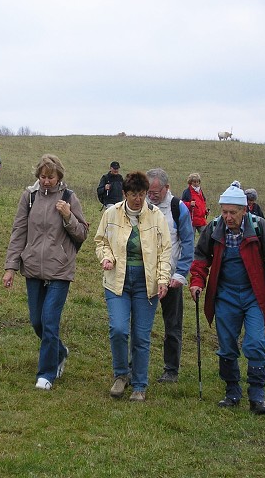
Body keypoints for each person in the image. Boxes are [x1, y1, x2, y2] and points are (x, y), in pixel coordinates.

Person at [189, 184, 265, 415]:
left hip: (254, 295)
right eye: (224, 211)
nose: (228, 217)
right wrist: (196, 281)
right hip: (224, 295)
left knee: (255, 343)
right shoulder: (213, 228)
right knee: (227, 345)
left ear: (245, 210)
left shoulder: (259, 228)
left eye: (233, 212)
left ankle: (257, 396)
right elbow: (201, 257)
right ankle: (232, 392)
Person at [3, 154, 89, 391]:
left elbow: (82, 233)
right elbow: (18, 231)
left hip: (60, 270)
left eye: (51, 177)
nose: (46, 181)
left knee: (50, 321)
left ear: (59, 176)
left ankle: (46, 374)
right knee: (37, 322)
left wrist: (68, 216)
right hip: (32, 268)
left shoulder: (70, 198)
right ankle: (60, 352)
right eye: (42, 177)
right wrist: (10, 267)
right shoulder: (28, 197)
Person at [95, 171, 172, 402]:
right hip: (117, 280)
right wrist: (106, 257)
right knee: (118, 329)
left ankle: (139, 385)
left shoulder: (156, 216)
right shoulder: (111, 213)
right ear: (125, 194)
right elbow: (101, 241)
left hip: (145, 283)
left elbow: (164, 250)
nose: (138, 199)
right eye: (133, 194)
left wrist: (162, 279)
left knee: (141, 336)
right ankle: (121, 375)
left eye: (141, 194)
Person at [145, 168, 194, 384]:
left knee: (172, 325)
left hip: (171, 278)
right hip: (144, 276)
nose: (151, 195)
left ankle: (171, 369)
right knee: (139, 324)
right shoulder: (141, 205)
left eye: (155, 191)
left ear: (167, 187)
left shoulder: (178, 208)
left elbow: (188, 244)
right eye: (149, 191)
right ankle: (133, 366)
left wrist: (180, 274)